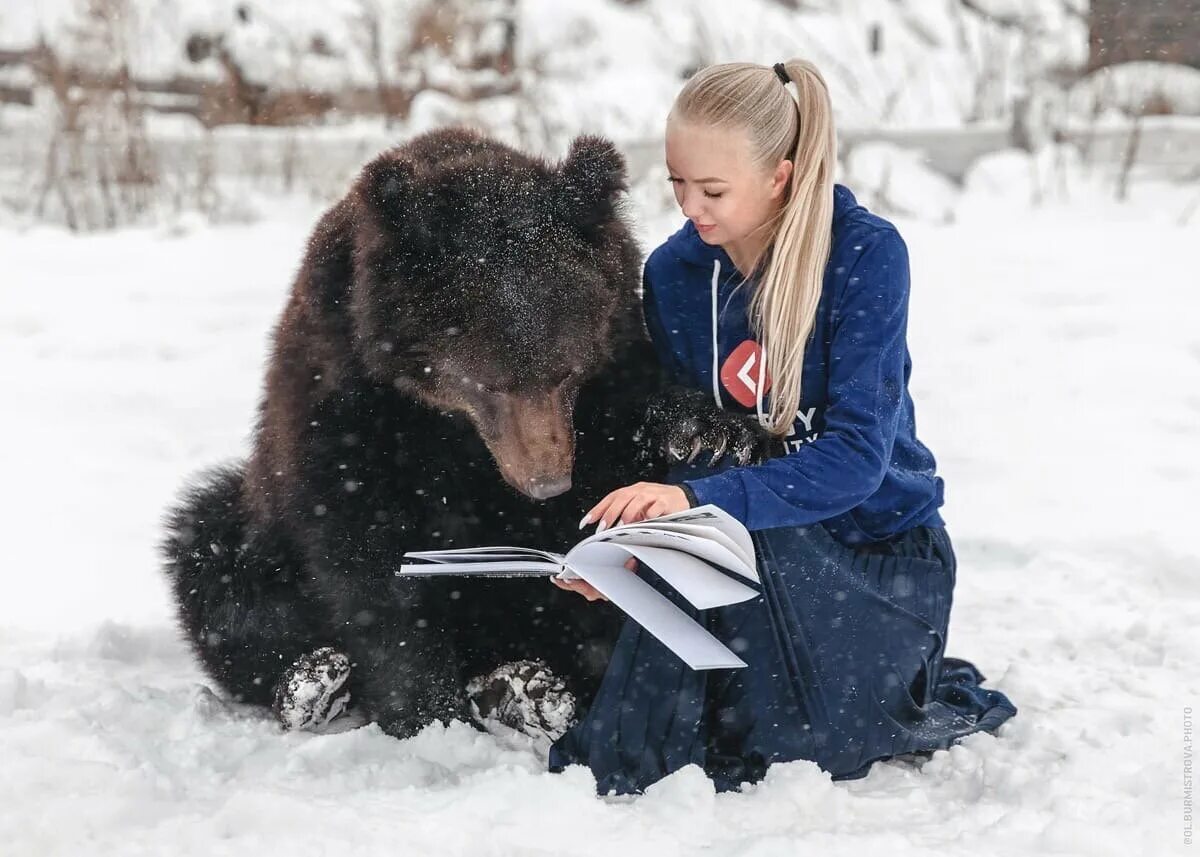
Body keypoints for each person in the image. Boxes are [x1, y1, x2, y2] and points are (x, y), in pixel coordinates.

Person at [548, 59, 1017, 794]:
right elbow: (687, 445)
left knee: (792, 750)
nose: (688, 207)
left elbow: (856, 460)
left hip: (875, 552)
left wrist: (697, 502)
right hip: (738, 547)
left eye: (712, 189)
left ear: (781, 175)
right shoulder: (674, 275)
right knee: (629, 750)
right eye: (675, 182)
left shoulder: (866, 254)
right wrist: (636, 552)